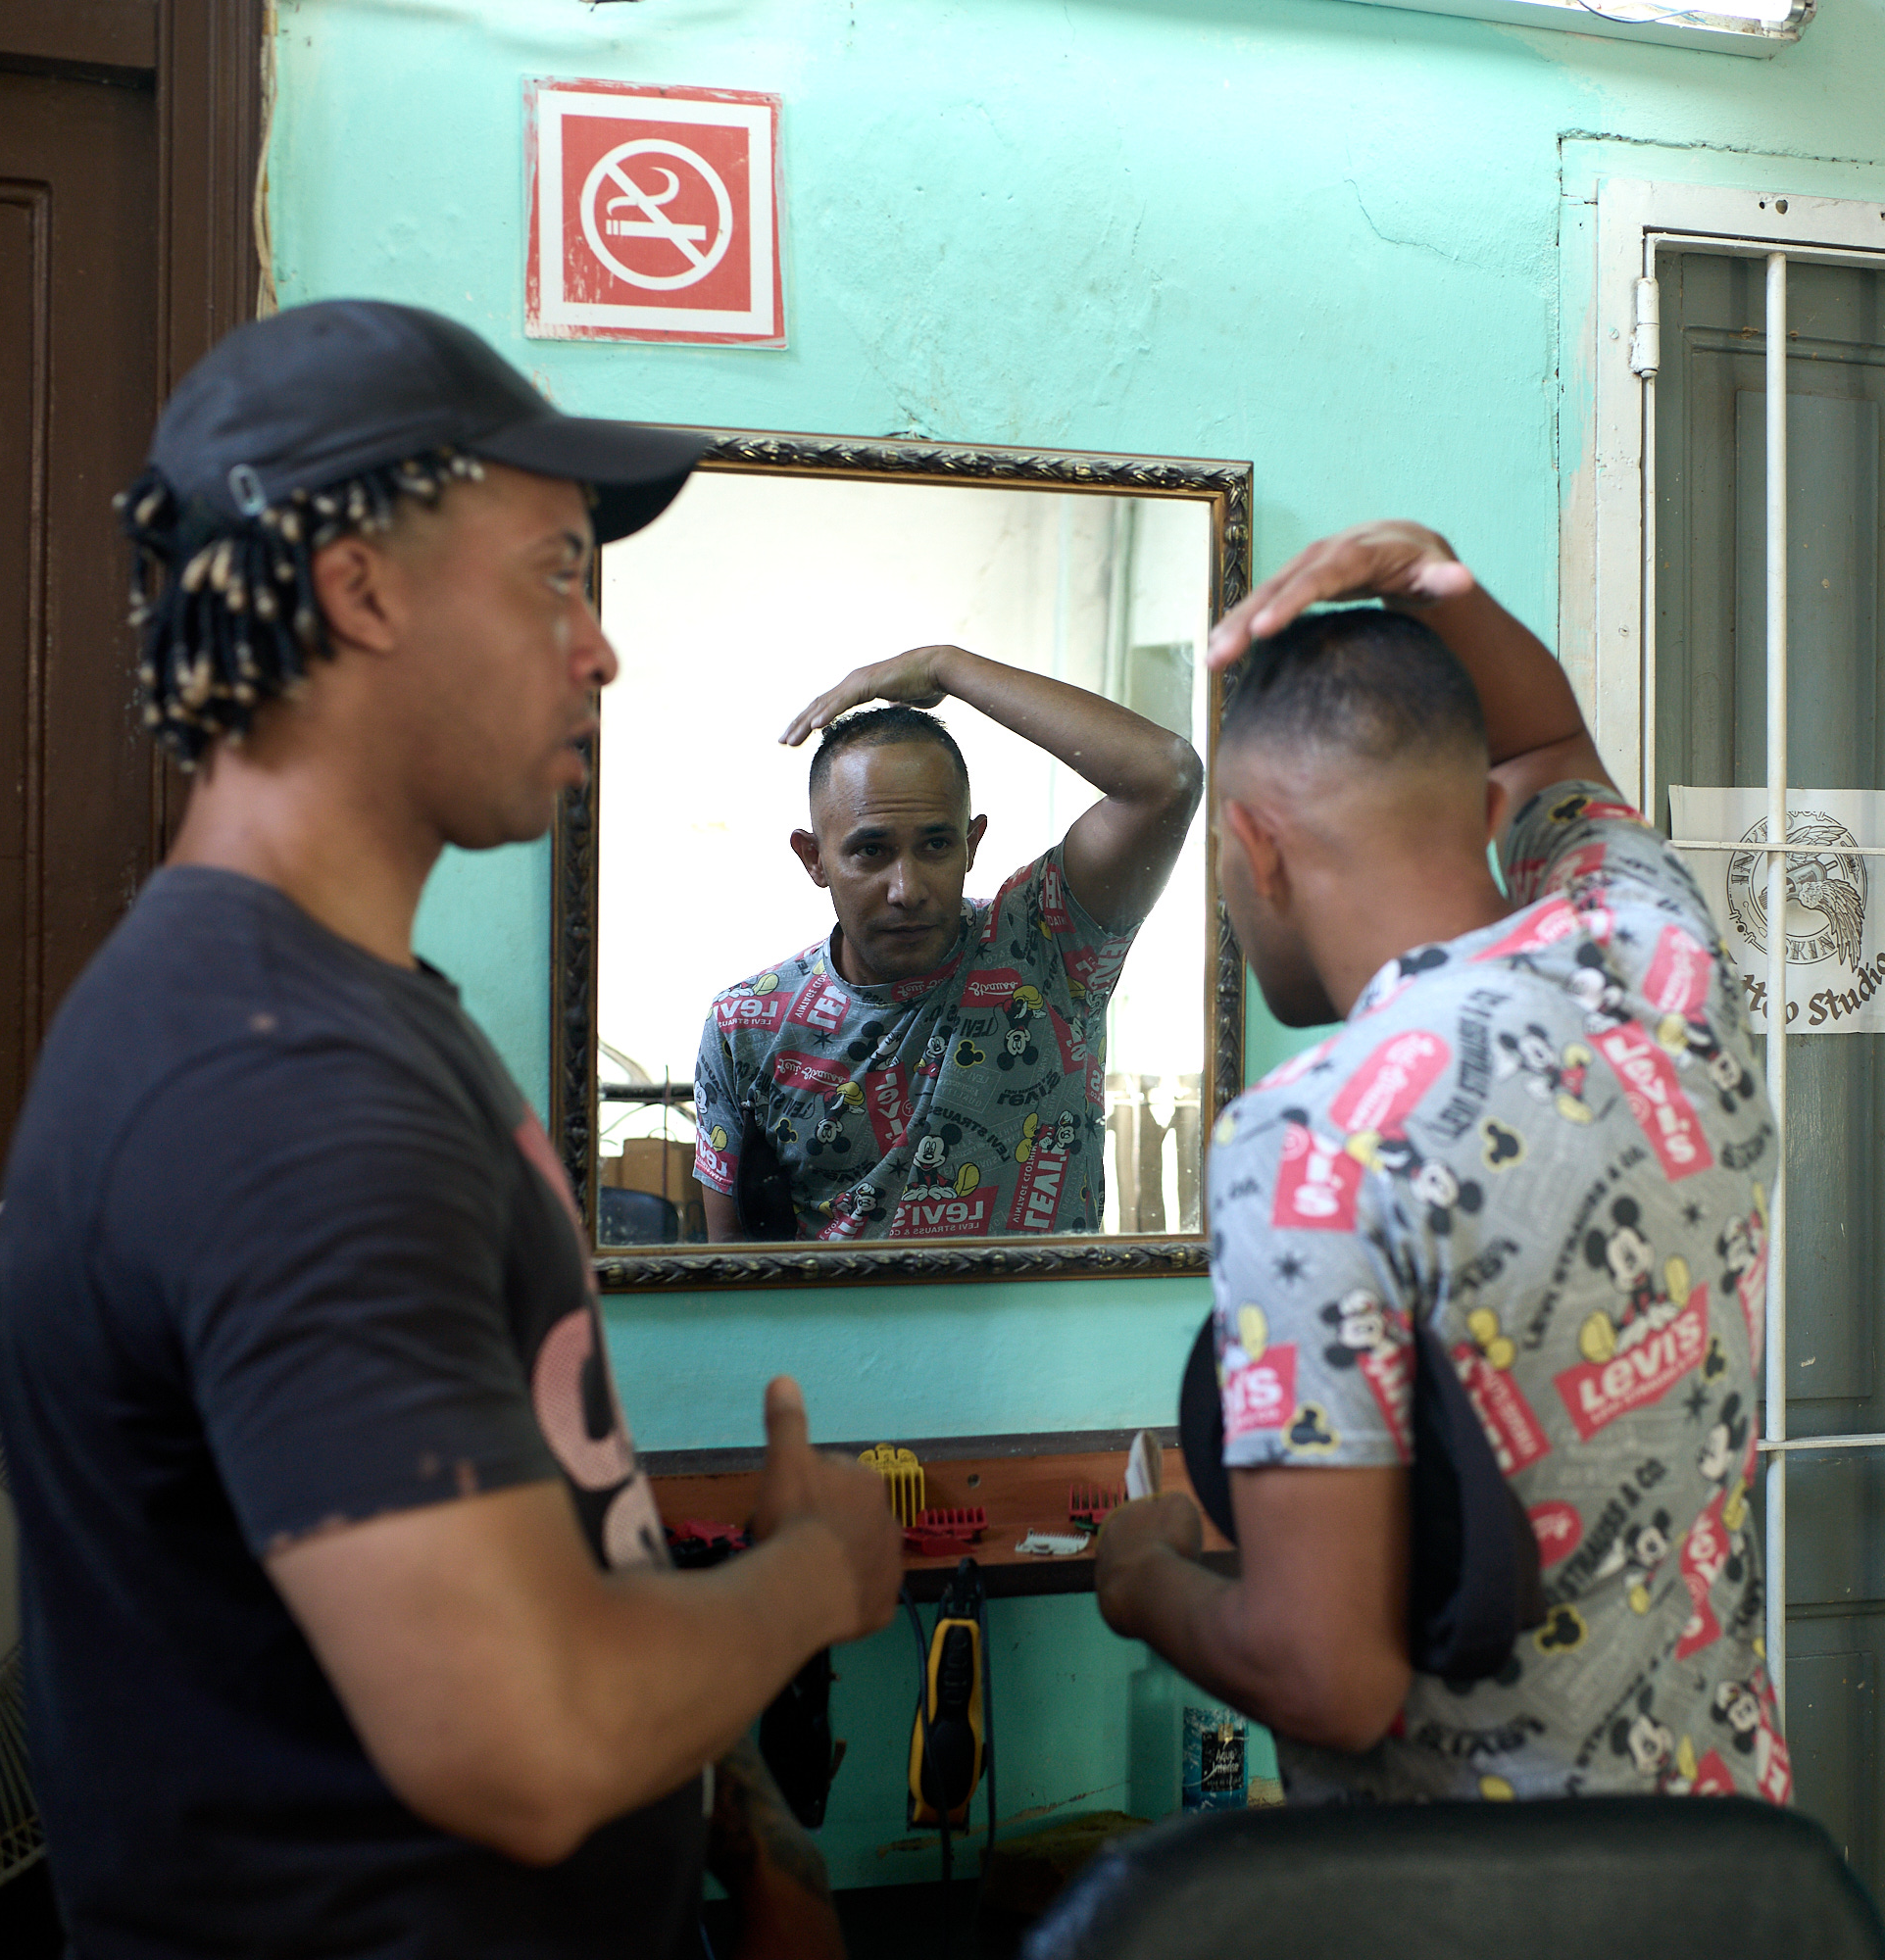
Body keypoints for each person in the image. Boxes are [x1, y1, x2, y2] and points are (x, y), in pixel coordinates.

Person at [0, 300, 901, 1960]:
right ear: (362, 589)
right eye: (555, 570)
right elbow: (523, 1740)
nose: (601, 643)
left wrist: (731, 1834)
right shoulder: (281, 1088)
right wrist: (811, 1585)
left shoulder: (337, 1011)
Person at [1093, 520, 1786, 1803]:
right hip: (1734, 1875)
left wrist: (1146, 1584)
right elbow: (1548, 750)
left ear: (1256, 847)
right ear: (1479, 814)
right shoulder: (1659, 960)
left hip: (1466, 1908)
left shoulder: (1308, 1136)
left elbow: (1327, 1678)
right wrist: (1440, 584)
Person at [692, 648, 1204, 1242]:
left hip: (1045, 1335)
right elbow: (727, 1278)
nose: (906, 891)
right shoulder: (747, 1024)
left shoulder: (1046, 943)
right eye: (870, 851)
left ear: (972, 844)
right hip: (843, 1338)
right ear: (814, 859)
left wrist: (945, 668)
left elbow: (1166, 777)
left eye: (935, 845)